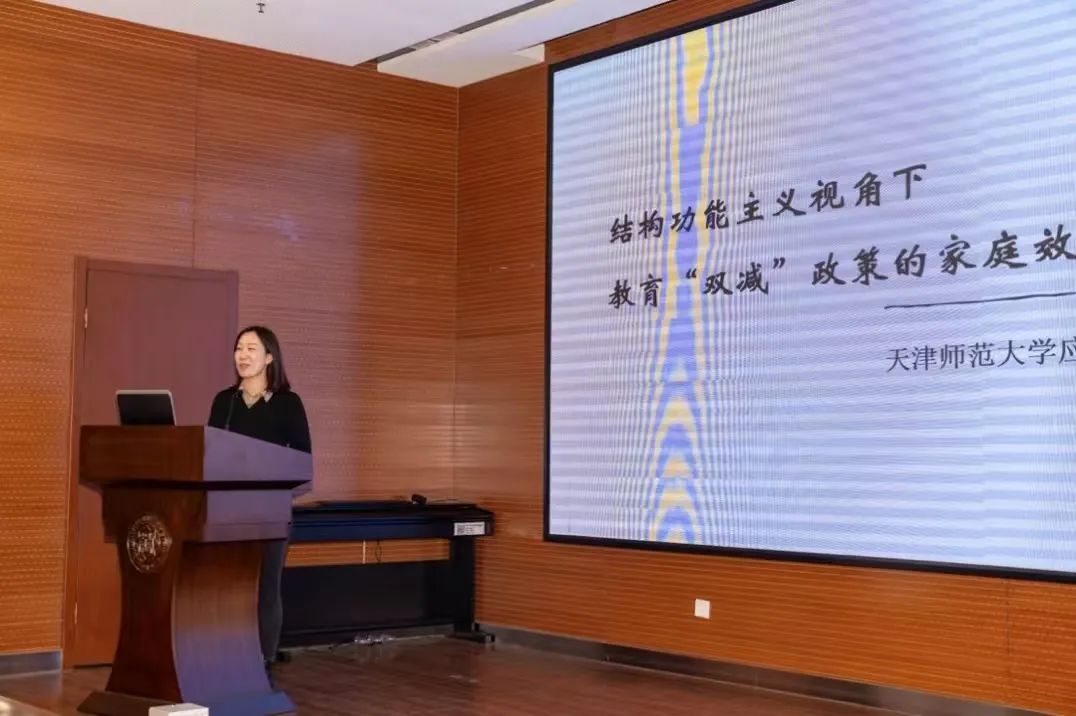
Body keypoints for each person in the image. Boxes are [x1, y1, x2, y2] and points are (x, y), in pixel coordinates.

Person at [207, 325, 311, 673]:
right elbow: (210, 454)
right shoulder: (225, 401)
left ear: (269, 358)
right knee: (227, 585)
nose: (243, 355)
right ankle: (225, 654)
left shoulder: (287, 403)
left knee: (266, 586)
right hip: (227, 510)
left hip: (271, 510)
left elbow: (302, 459)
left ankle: (264, 659)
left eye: (252, 348)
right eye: (239, 348)